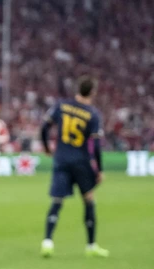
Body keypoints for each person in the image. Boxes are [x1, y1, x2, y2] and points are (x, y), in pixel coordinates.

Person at [40, 75, 109, 258]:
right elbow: (96, 145)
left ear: (78, 88)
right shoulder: (92, 114)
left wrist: (46, 147)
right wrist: (100, 169)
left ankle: (47, 242)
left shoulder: (61, 105)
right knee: (89, 199)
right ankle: (91, 246)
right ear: (92, 92)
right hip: (81, 162)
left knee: (57, 200)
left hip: (61, 159)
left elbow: (44, 127)